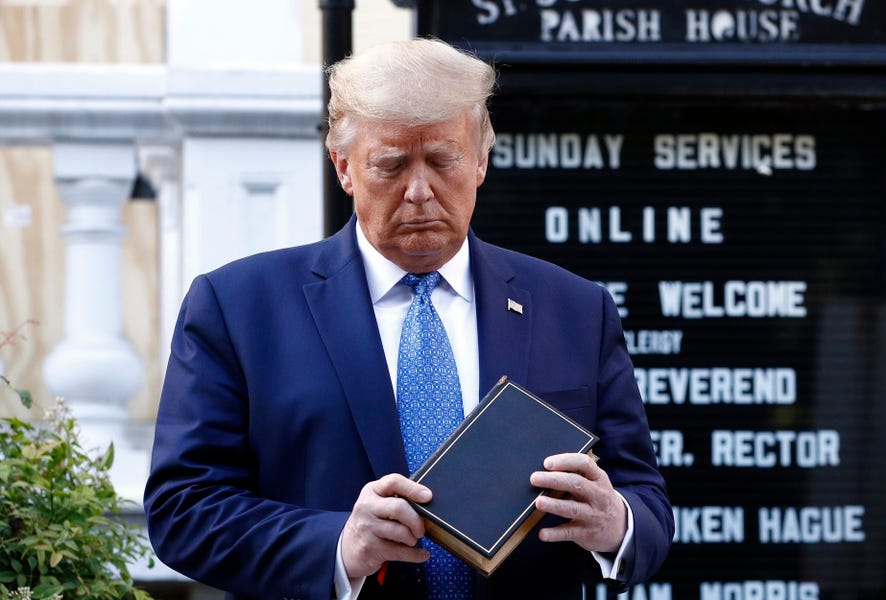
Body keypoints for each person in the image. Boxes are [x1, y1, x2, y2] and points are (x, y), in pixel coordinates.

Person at [144, 37, 673, 600]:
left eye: (443, 161)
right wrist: (337, 546)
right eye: (391, 165)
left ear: (480, 163)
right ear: (344, 167)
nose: (419, 192)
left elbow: (647, 503)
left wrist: (616, 524)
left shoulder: (573, 308)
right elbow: (184, 509)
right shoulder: (238, 308)